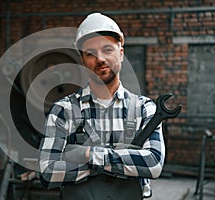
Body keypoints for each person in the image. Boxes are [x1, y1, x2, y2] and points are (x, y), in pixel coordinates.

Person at [39, 13, 165, 199]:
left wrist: (88, 154)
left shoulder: (144, 108)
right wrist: (124, 163)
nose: (100, 59)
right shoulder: (63, 110)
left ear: (121, 53)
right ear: (83, 60)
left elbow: (153, 164)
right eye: (90, 53)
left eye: (107, 49)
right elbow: (48, 172)